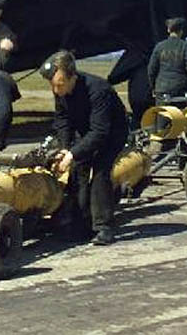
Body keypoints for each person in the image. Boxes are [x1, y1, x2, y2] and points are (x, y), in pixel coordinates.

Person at [42, 50, 128, 246]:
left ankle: (103, 227)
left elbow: (100, 132)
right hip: (86, 131)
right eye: (52, 85)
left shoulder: (99, 90)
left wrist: (73, 153)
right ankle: (79, 223)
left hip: (111, 134)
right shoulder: (61, 90)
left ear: (73, 76)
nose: (55, 90)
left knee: (100, 172)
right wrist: (65, 148)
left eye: (59, 84)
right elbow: (62, 119)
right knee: (77, 171)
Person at [147, 17, 187, 99]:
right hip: (181, 88)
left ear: (168, 30)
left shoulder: (159, 46)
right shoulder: (185, 45)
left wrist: (153, 86)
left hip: (162, 88)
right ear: (181, 31)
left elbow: (151, 69)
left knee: (161, 111)